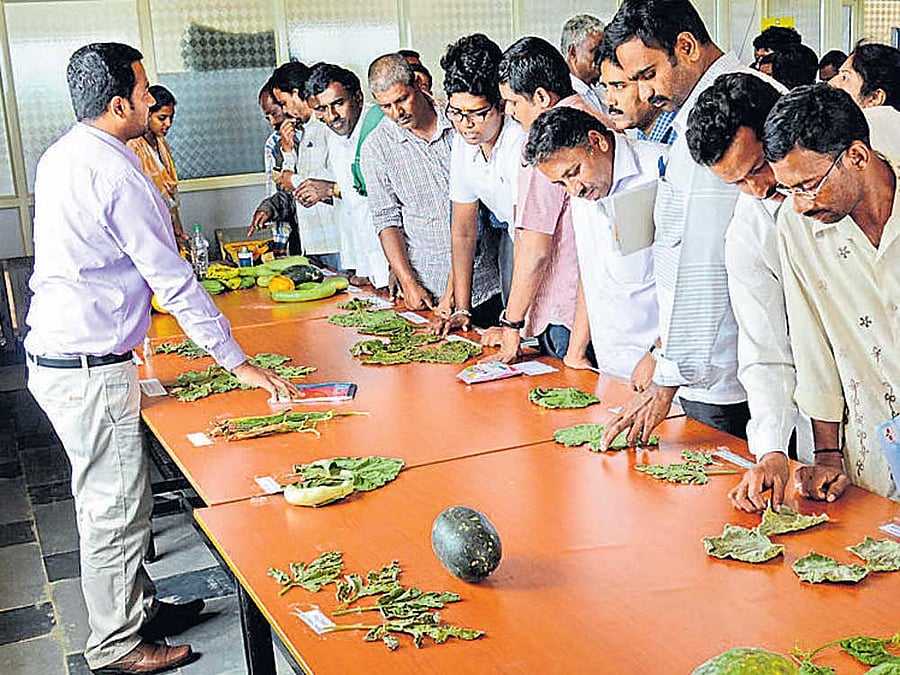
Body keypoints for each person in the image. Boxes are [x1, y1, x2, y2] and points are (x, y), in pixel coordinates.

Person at [24, 43, 295, 674]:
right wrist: (240, 363)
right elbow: (172, 279)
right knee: (114, 508)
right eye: (145, 91)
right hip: (87, 366)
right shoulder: (119, 171)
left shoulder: (65, 153)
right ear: (119, 104)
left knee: (115, 496)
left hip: (65, 354)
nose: (153, 100)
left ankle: (138, 608)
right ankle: (119, 643)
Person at [599, 0, 773, 449]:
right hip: (702, 360)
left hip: (731, 361)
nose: (643, 94)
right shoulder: (696, 111)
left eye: (648, 74)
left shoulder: (736, 109)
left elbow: (705, 259)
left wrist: (667, 380)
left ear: (687, 46)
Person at [684, 72, 814, 512]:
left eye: (759, 167)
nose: (758, 188)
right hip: (829, 417)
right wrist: (773, 449)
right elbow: (764, 348)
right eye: (737, 182)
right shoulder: (747, 229)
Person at [763, 84, 899, 502]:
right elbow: (811, 338)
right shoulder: (797, 224)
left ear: (856, 157)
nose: (800, 204)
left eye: (808, 185)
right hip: (873, 447)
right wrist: (826, 453)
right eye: (788, 189)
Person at [525, 106, 664, 383]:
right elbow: (591, 272)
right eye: (561, 183)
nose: (573, 189)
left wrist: (659, 354)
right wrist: (575, 350)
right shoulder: (582, 192)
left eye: (574, 172)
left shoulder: (660, 169)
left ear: (597, 141)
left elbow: (691, 278)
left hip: (664, 367)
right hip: (611, 365)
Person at [360, 53, 500, 312]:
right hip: (426, 288)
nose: (397, 113)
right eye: (386, 106)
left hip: (489, 281)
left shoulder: (463, 122)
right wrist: (408, 282)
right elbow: (386, 220)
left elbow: (476, 214)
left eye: (402, 99)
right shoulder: (377, 147)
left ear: (417, 84)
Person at [490, 36, 594, 364]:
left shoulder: (547, 143)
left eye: (512, 103)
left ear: (540, 97)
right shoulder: (593, 120)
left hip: (563, 314)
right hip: (590, 312)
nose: (508, 112)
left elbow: (535, 250)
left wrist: (512, 324)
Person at [432, 33, 523, 334]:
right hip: (517, 237)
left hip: (542, 243)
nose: (466, 125)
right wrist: (461, 306)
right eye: (456, 113)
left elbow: (536, 241)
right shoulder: (464, 142)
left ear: (501, 105)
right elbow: (464, 229)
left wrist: (515, 325)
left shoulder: (519, 141)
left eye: (477, 113)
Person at [303, 62, 390, 287]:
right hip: (371, 265)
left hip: (397, 261)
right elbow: (354, 207)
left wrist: (395, 268)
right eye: (321, 108)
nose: (331, 116)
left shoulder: (381, 126)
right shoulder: (334, 133)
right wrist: (363, 267)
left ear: (358, 98)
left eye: (338, 103)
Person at [253, 61, 342, 267]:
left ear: (295, 93)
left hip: (334, 239)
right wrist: (287, 151)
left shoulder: (326, 127)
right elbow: (288, 183)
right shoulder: (302, 130)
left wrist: (291, 179)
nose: (285, 111)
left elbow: (335, 184)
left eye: (283, 104)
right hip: (311, 242)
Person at [126, 85, 187, 251]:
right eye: (162, 118)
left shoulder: (161, 143)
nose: (168, 124)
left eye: (171, 118)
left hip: (169, 216)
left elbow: (169, 190)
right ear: (147, 115)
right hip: (149, 221)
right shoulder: (133, 147)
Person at [828, 42, 900, 161]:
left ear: (874, 98)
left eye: (844, 78)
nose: (831, 83)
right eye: (838, 75)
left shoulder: (858, 134)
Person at [596, 41, 676, 143]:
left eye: (619, 86)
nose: (610, 102)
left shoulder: (680, 136)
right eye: (606, 88)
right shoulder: (643, 135)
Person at [254, 78, 297, 256]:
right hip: (298, 237)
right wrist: (279, 241)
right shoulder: (273, 144)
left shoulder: (317, 133)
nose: (272, 122)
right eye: (267, 117)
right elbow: (279, 192)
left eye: (274, 113)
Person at [560, 14, 606, 113]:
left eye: (603, 50)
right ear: (573, 52)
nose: (602, 56)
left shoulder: (600, 90)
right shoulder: (567, 96)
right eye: (595, 50)